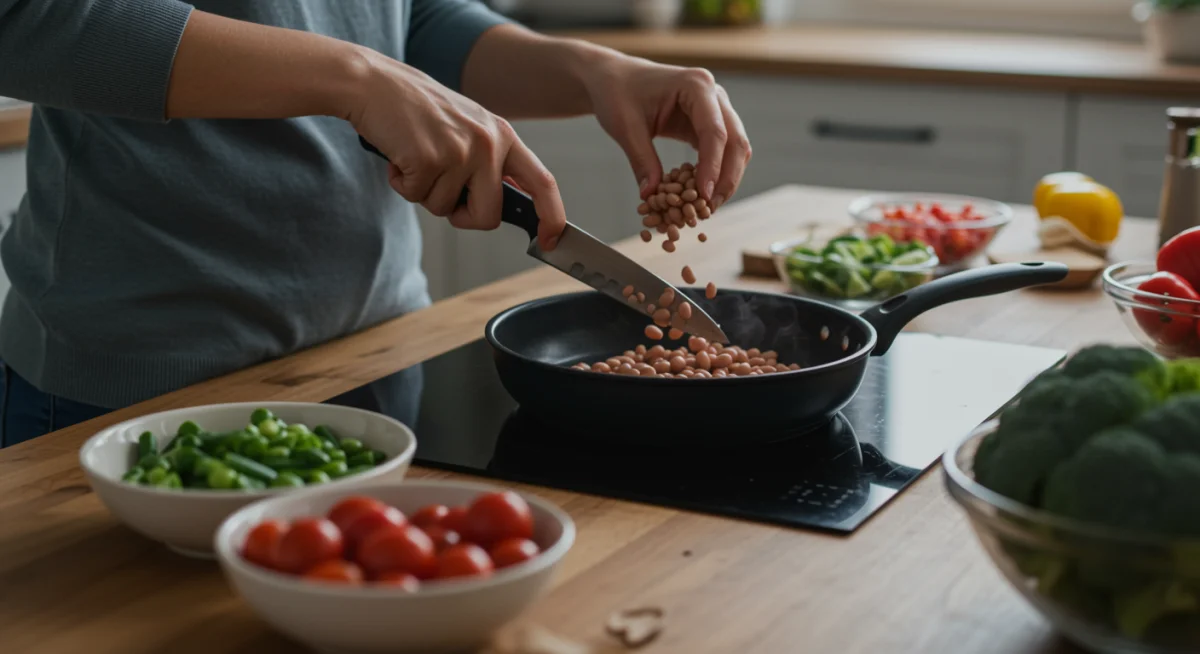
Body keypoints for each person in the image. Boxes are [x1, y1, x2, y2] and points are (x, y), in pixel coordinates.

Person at [0, 1, 751, 448]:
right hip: (138, 389)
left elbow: (412, 18)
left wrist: (589, 70)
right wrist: (353, 77)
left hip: (375, 360)